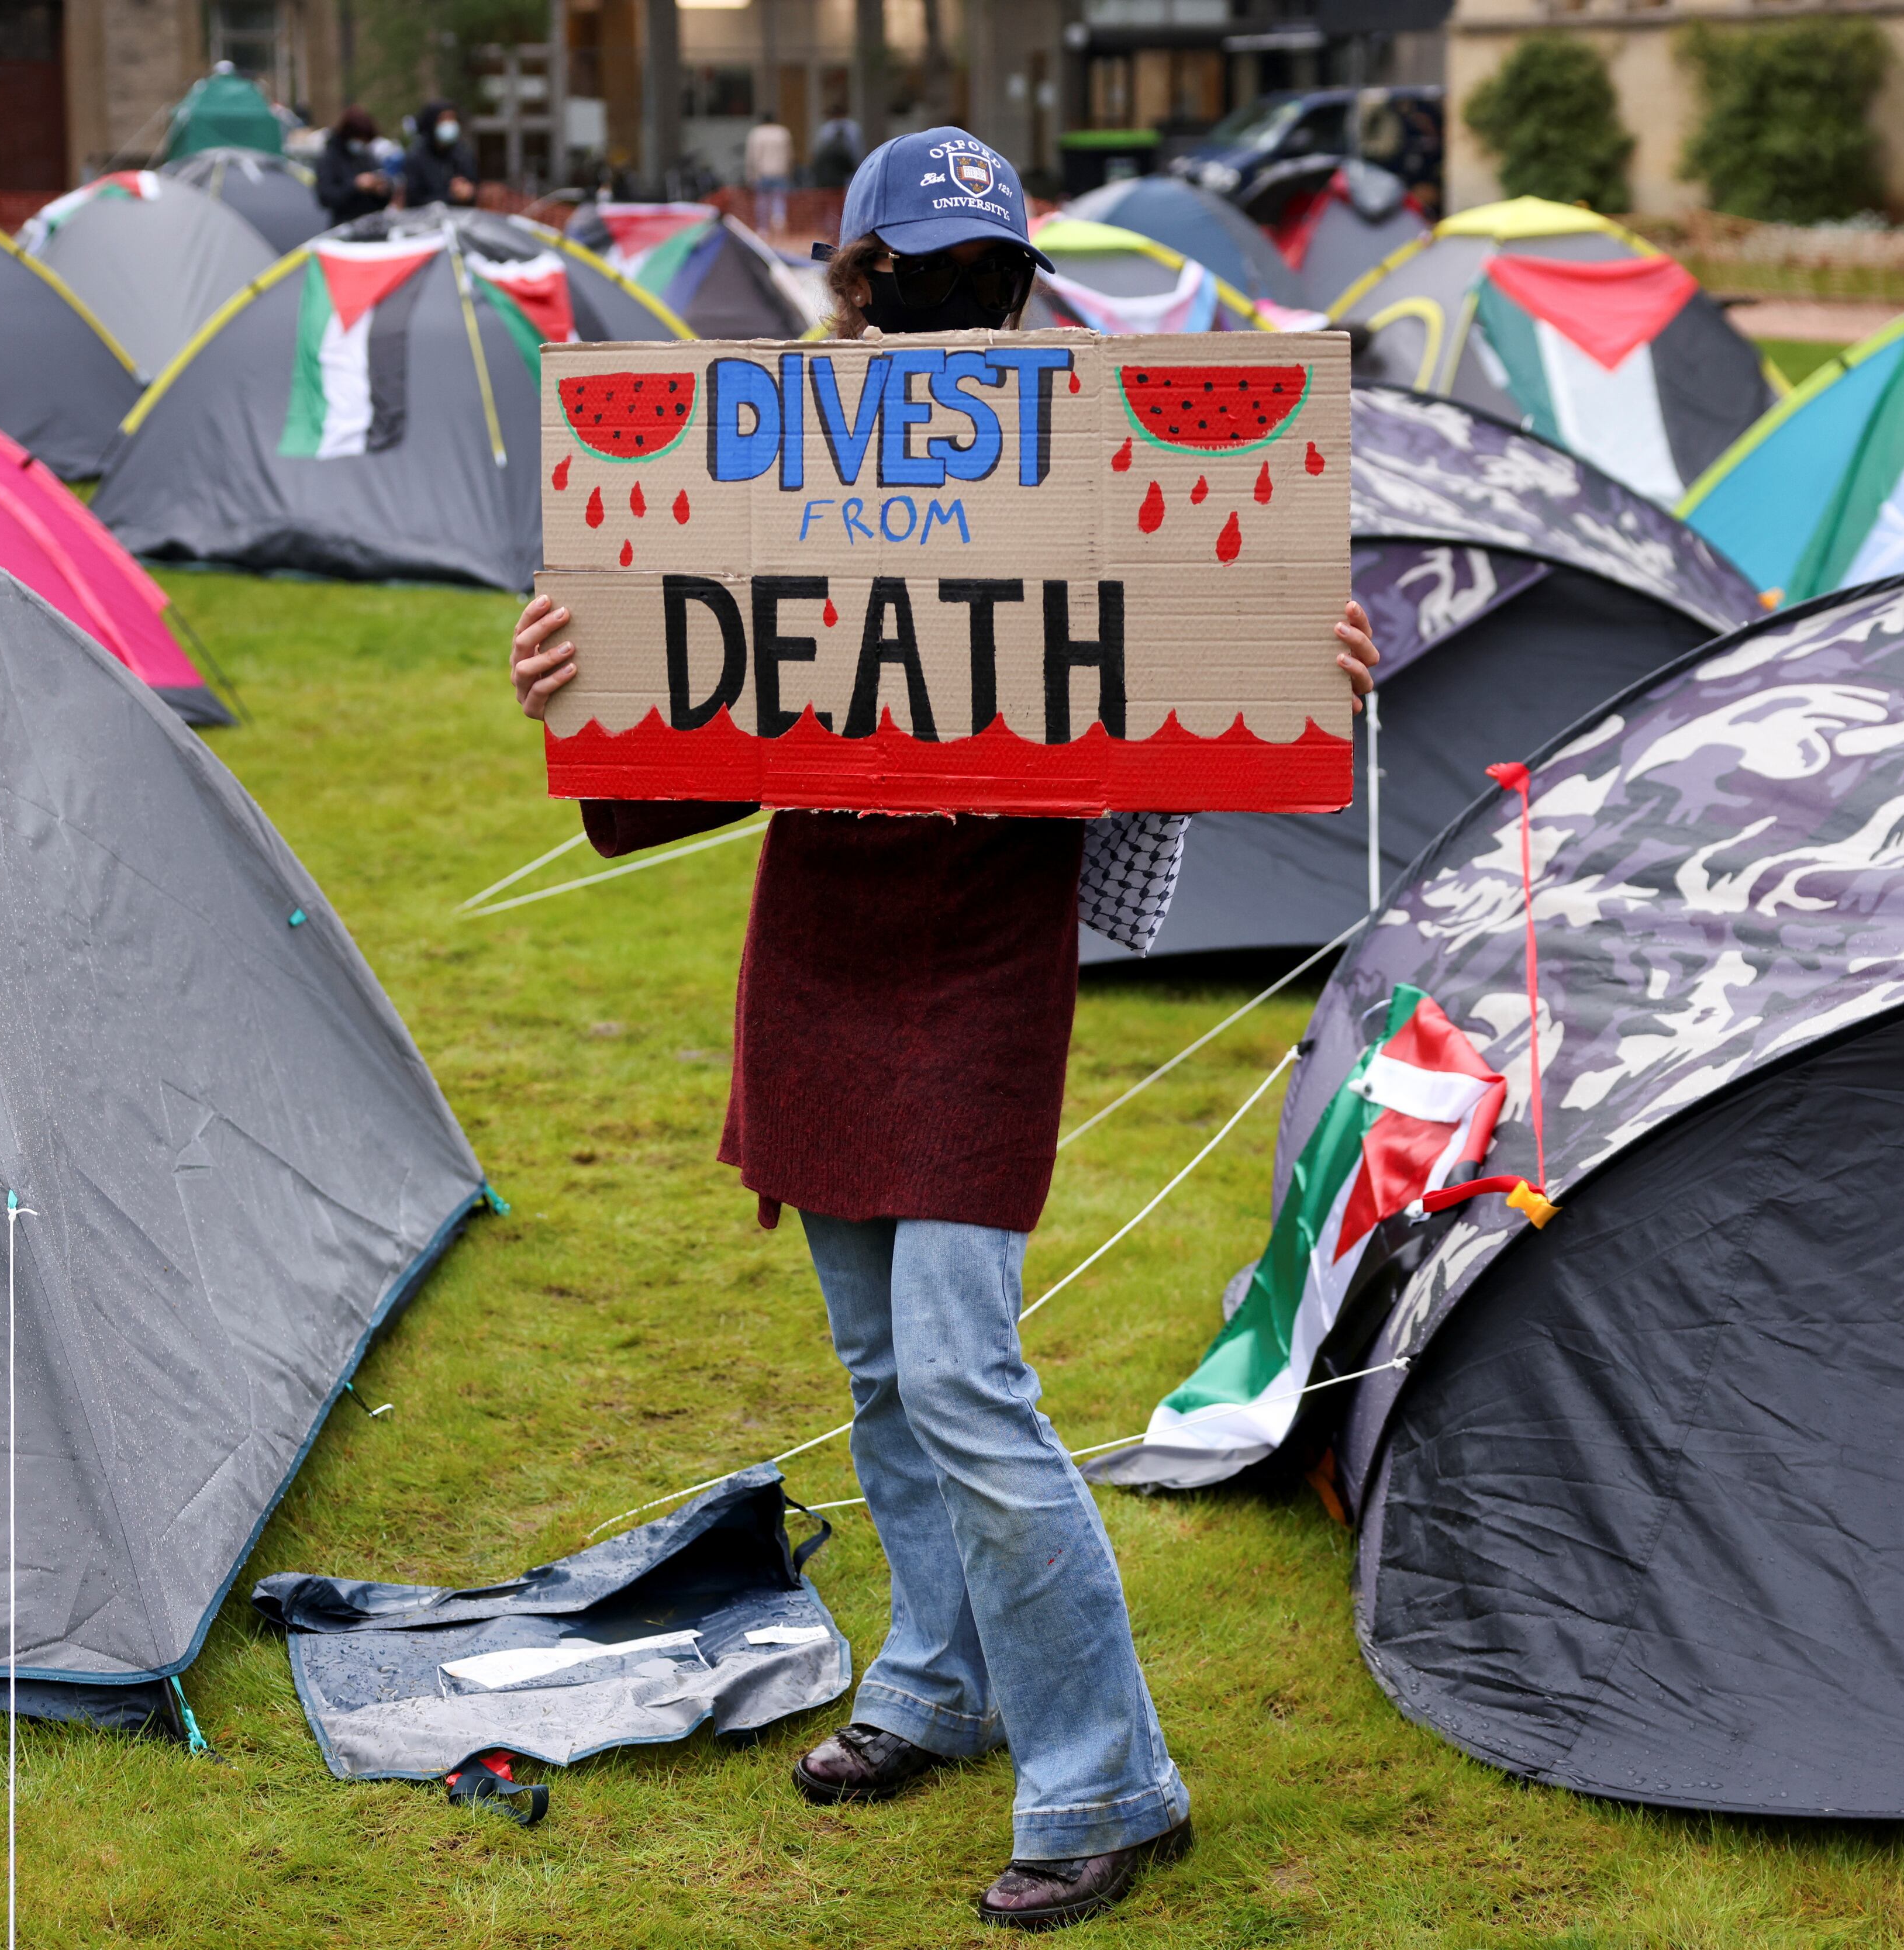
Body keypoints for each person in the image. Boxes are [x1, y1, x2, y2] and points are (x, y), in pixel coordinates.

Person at [506, 129, 1379, 1932]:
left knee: (969, 1379)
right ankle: (938, 1675)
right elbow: (696, 736)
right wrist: (581, 680)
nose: (954, 310)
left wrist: (1293, 654)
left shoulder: (1089, 458)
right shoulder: (777, 463)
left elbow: (1178, 681)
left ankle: (1109, 1777)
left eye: (984, 278)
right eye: (919, 278)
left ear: (1019, 285)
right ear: (858, 281)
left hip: (983, 967)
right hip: (820, 956)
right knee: (882, 1369)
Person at [315, 106, 393, 226]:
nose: (361, 144)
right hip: (344, 225)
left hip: (372, 224)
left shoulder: (366, 155)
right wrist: (355, 185)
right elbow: (326, 197)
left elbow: (384, 186)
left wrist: (382, 189)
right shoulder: (329, 158)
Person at [399, 101, 478, 208]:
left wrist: (467, 191)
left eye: (452, 119)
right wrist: (450, 197)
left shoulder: (463, 153)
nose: (449, 124)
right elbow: (414, 199)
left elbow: (473, 184)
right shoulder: (416, 156)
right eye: (444, 119)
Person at [745, 111, 796, 237]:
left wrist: (750, 175)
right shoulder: (782, 133)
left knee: (762, 202)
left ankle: (764, 230)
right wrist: (790, 171)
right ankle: (779, 225)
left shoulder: (757, 133)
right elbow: (789, 155)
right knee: (779, 201)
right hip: (780, 172)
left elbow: (752, 156)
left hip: (763, 172)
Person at [810, 105, 863, 189]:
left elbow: (858, 152)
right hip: (830, 174)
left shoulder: (852, 128)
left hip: (849, 170)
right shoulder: (826, 130)